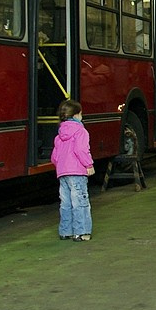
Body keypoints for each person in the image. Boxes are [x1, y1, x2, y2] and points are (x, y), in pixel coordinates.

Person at [50, 98, 95, 241]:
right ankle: (81, 232)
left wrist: (62, 167)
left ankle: (65, 231)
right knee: (80, 202)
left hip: (63, 173)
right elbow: (81, 150)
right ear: (76, 115)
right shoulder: (81, 131)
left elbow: (54, 157)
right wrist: (89, 165)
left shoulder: (59, 135)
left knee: (66, 203)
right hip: (77, 171)